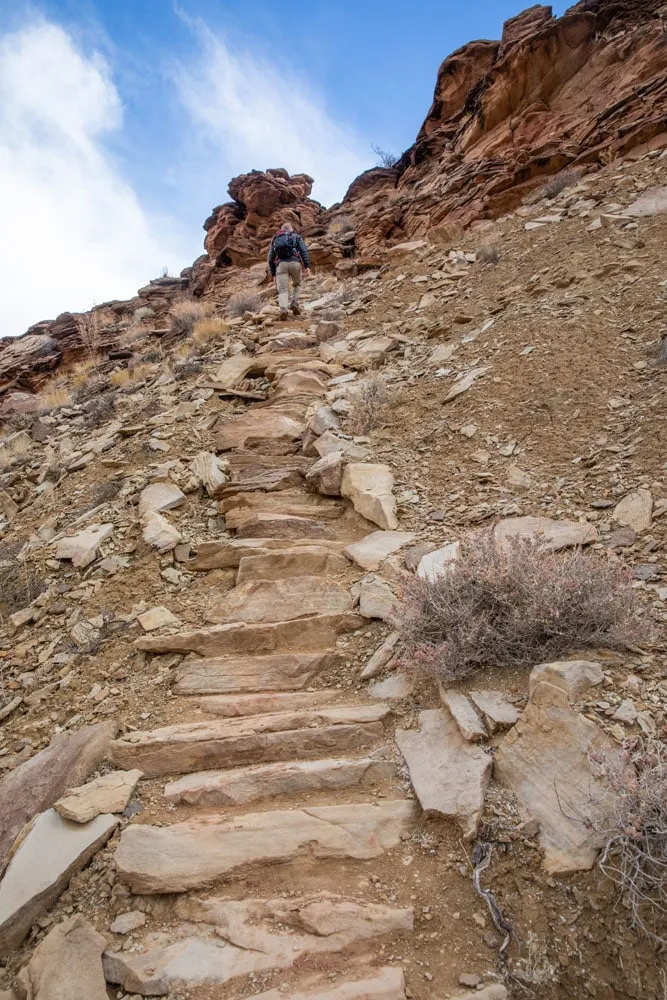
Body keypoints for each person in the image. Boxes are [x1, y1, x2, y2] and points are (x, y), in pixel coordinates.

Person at [267, 223, 311, 320]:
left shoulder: (275, 238)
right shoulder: (296, 236)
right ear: (291, 229)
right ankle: (294, 303)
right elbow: (304, 250)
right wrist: (307, 265)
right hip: (295, 263)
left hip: (281, 265)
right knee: (297, 284)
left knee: (282, 289)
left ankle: (283, 309)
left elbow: (270, 258)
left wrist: (273, 273)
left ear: (282, 230)